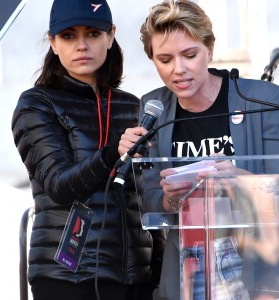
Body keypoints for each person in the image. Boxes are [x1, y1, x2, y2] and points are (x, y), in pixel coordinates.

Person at [118, 0, 279, 299]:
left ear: (210, 49)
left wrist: (240, 183)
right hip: (188, 279)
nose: (179, 69)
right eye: (165, 59)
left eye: (190, 55)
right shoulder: (154, 109)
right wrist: (169, 199)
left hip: (260, 279)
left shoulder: (264, 101)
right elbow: (149, 199)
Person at [11, 0, 165, 299]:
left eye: (93, 34)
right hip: (67, 277)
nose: (82, 45)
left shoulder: (135, 105)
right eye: (69, 36)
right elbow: (59, 184)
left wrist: (156, 267)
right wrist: (111, 154)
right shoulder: (37, 104)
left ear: (110, 36)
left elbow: (147, 194)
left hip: (136, 277)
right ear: (53, 42)